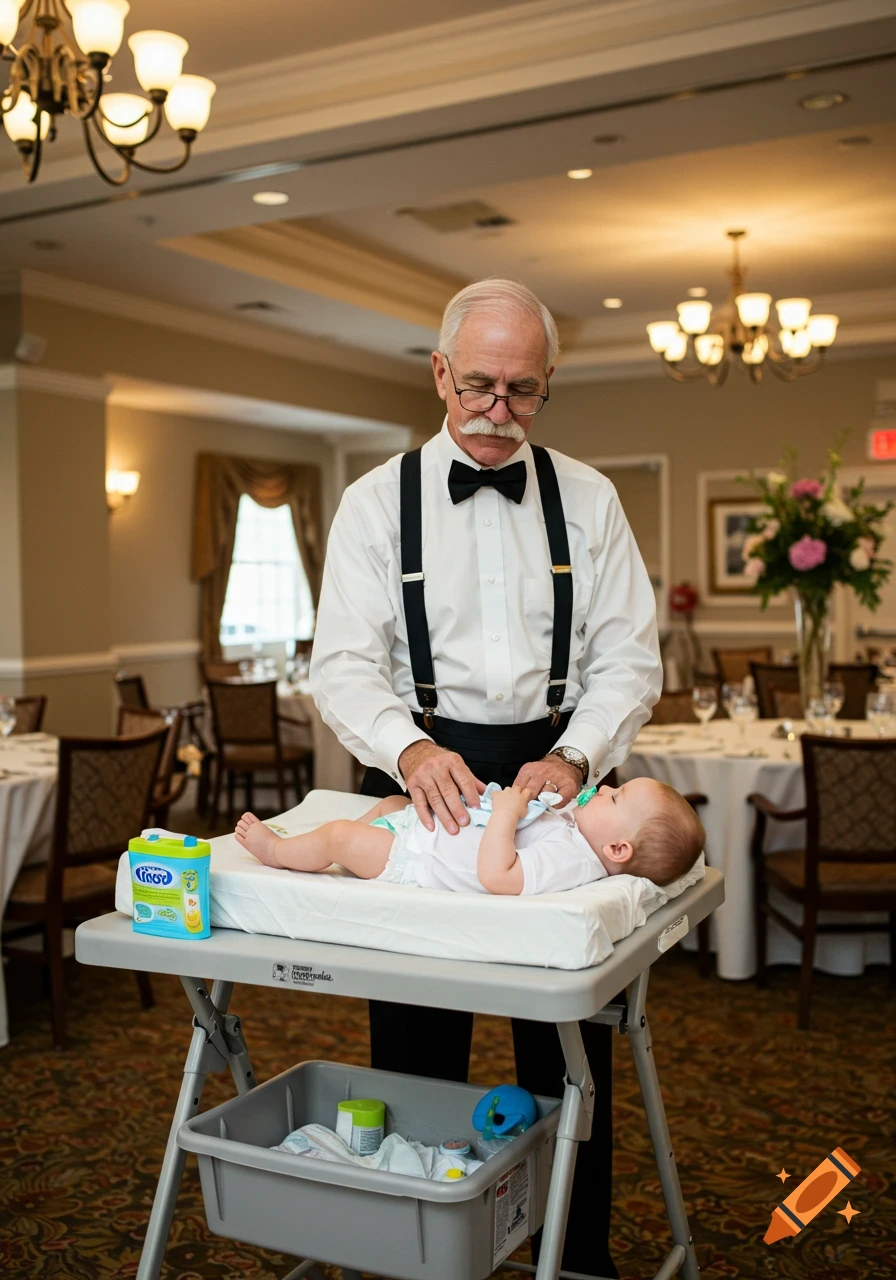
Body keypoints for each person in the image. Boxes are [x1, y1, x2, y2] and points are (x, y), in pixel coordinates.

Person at [310, 277, 662, 1277]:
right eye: (477, 388)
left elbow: (628, 658)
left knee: (570, 1047)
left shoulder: (588, 497)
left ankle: (577, 1253)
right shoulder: (374, 502)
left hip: (565, 782)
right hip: (428, 774)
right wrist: (407, 747)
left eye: (521, 390)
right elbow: (340, 662)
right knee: (417, 1040)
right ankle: (423, 1250)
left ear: (546, 382)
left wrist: (578, 753)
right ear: (438, 374)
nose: (497, 413)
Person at [234, 778, 705, 893]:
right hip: (420, 831)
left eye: (616, 797)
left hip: (413, 859)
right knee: (395, 804)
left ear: (617, 849)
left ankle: (276, 850)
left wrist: (507, 812)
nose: (603, 787)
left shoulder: (575, 861)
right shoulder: (578, 833)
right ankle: (339, 843)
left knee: (339, 835)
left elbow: (499, 875)